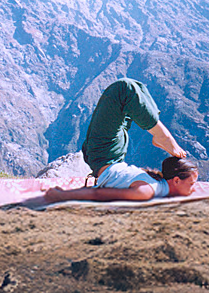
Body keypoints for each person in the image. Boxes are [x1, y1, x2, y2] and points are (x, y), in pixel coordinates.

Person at [44, 78, 199, 202]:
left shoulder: (147, 191)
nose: (195, 189)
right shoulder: (154, 186)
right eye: (192, 184)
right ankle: (159, 133)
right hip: (113, 156)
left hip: (104, 154)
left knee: (124, 90)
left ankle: (162, 135)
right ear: (176, 180)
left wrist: (61, 195)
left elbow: (99, 194)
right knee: (138, 90)